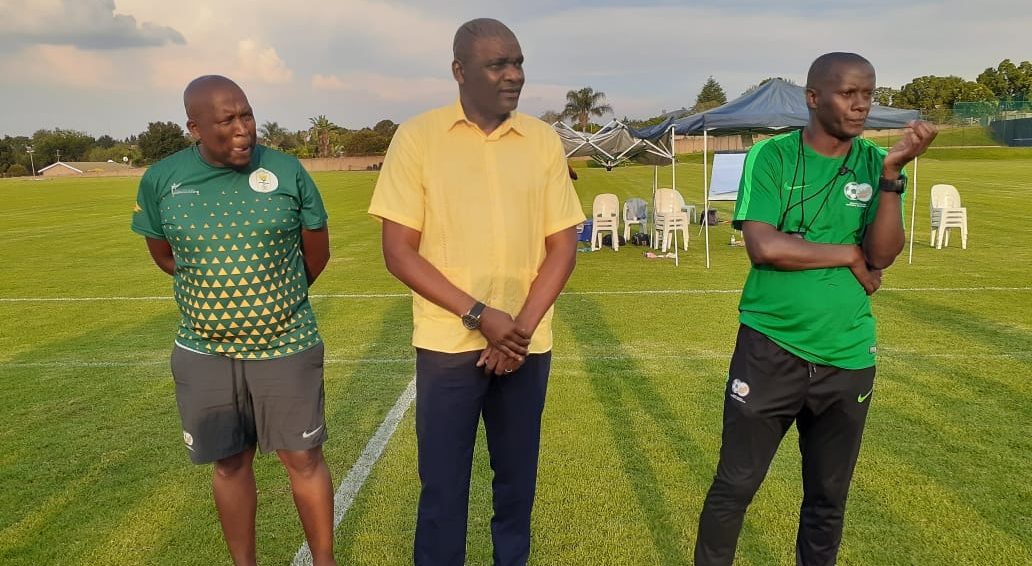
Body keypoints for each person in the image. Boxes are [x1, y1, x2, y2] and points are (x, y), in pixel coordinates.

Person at [694, 53, 936, 566]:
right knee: (735, 486)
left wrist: (893, 174)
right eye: (849, 93)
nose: (862, 104)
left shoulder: (874, 163)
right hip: (770, 346)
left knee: (828, 499)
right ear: (813, 97)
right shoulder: (773, 156)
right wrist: (847, 254)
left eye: (868, 94)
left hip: (847, 354)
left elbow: (885, 255)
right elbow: (764, 246)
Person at [368, 18, 584, 566]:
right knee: (442, 491)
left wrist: (517, 333)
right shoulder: (417, 138)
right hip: (447, 346)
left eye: (518, 63)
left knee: (516, 488)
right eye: (497, 65)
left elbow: (563, 245)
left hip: (525, 346)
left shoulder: (541, 140)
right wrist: (480, 315)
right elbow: (399, 252)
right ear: (460, 72)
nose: (513, 75)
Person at [131, 75, 336, 566]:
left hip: (287, 343)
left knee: (303, 459)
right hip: (204, 349)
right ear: (195, 127)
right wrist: (217, 290)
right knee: (229, 462)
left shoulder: (287, 172)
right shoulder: (162, 179)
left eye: (247, 115)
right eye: (227, 120)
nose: (243, 128)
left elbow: (318, 254)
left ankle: (325, 561)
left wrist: (272, 303)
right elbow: (164, 255)